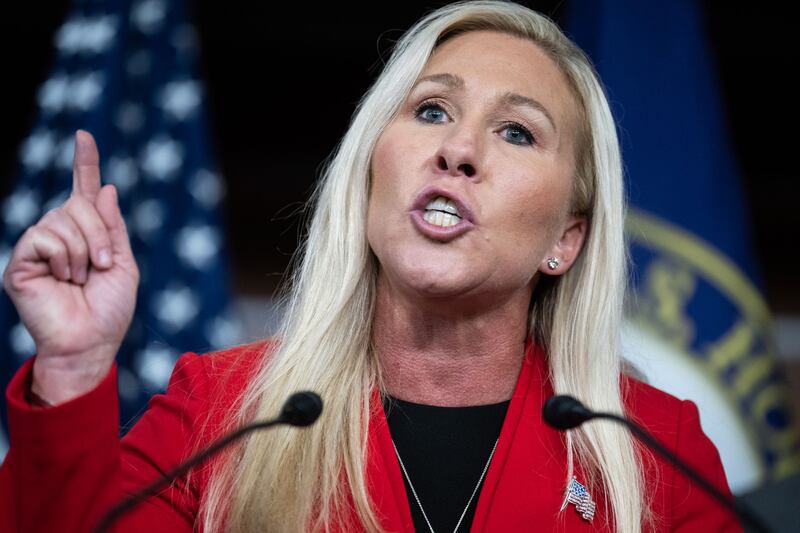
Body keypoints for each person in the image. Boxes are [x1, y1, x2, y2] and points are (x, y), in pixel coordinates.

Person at [0, 1, 740, 532]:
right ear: (370, 175)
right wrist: (71, 364)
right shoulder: (219, 414)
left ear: (566, 240)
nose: (458, 149)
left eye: (516, 130)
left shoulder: (654, 451)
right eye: (430, 111)